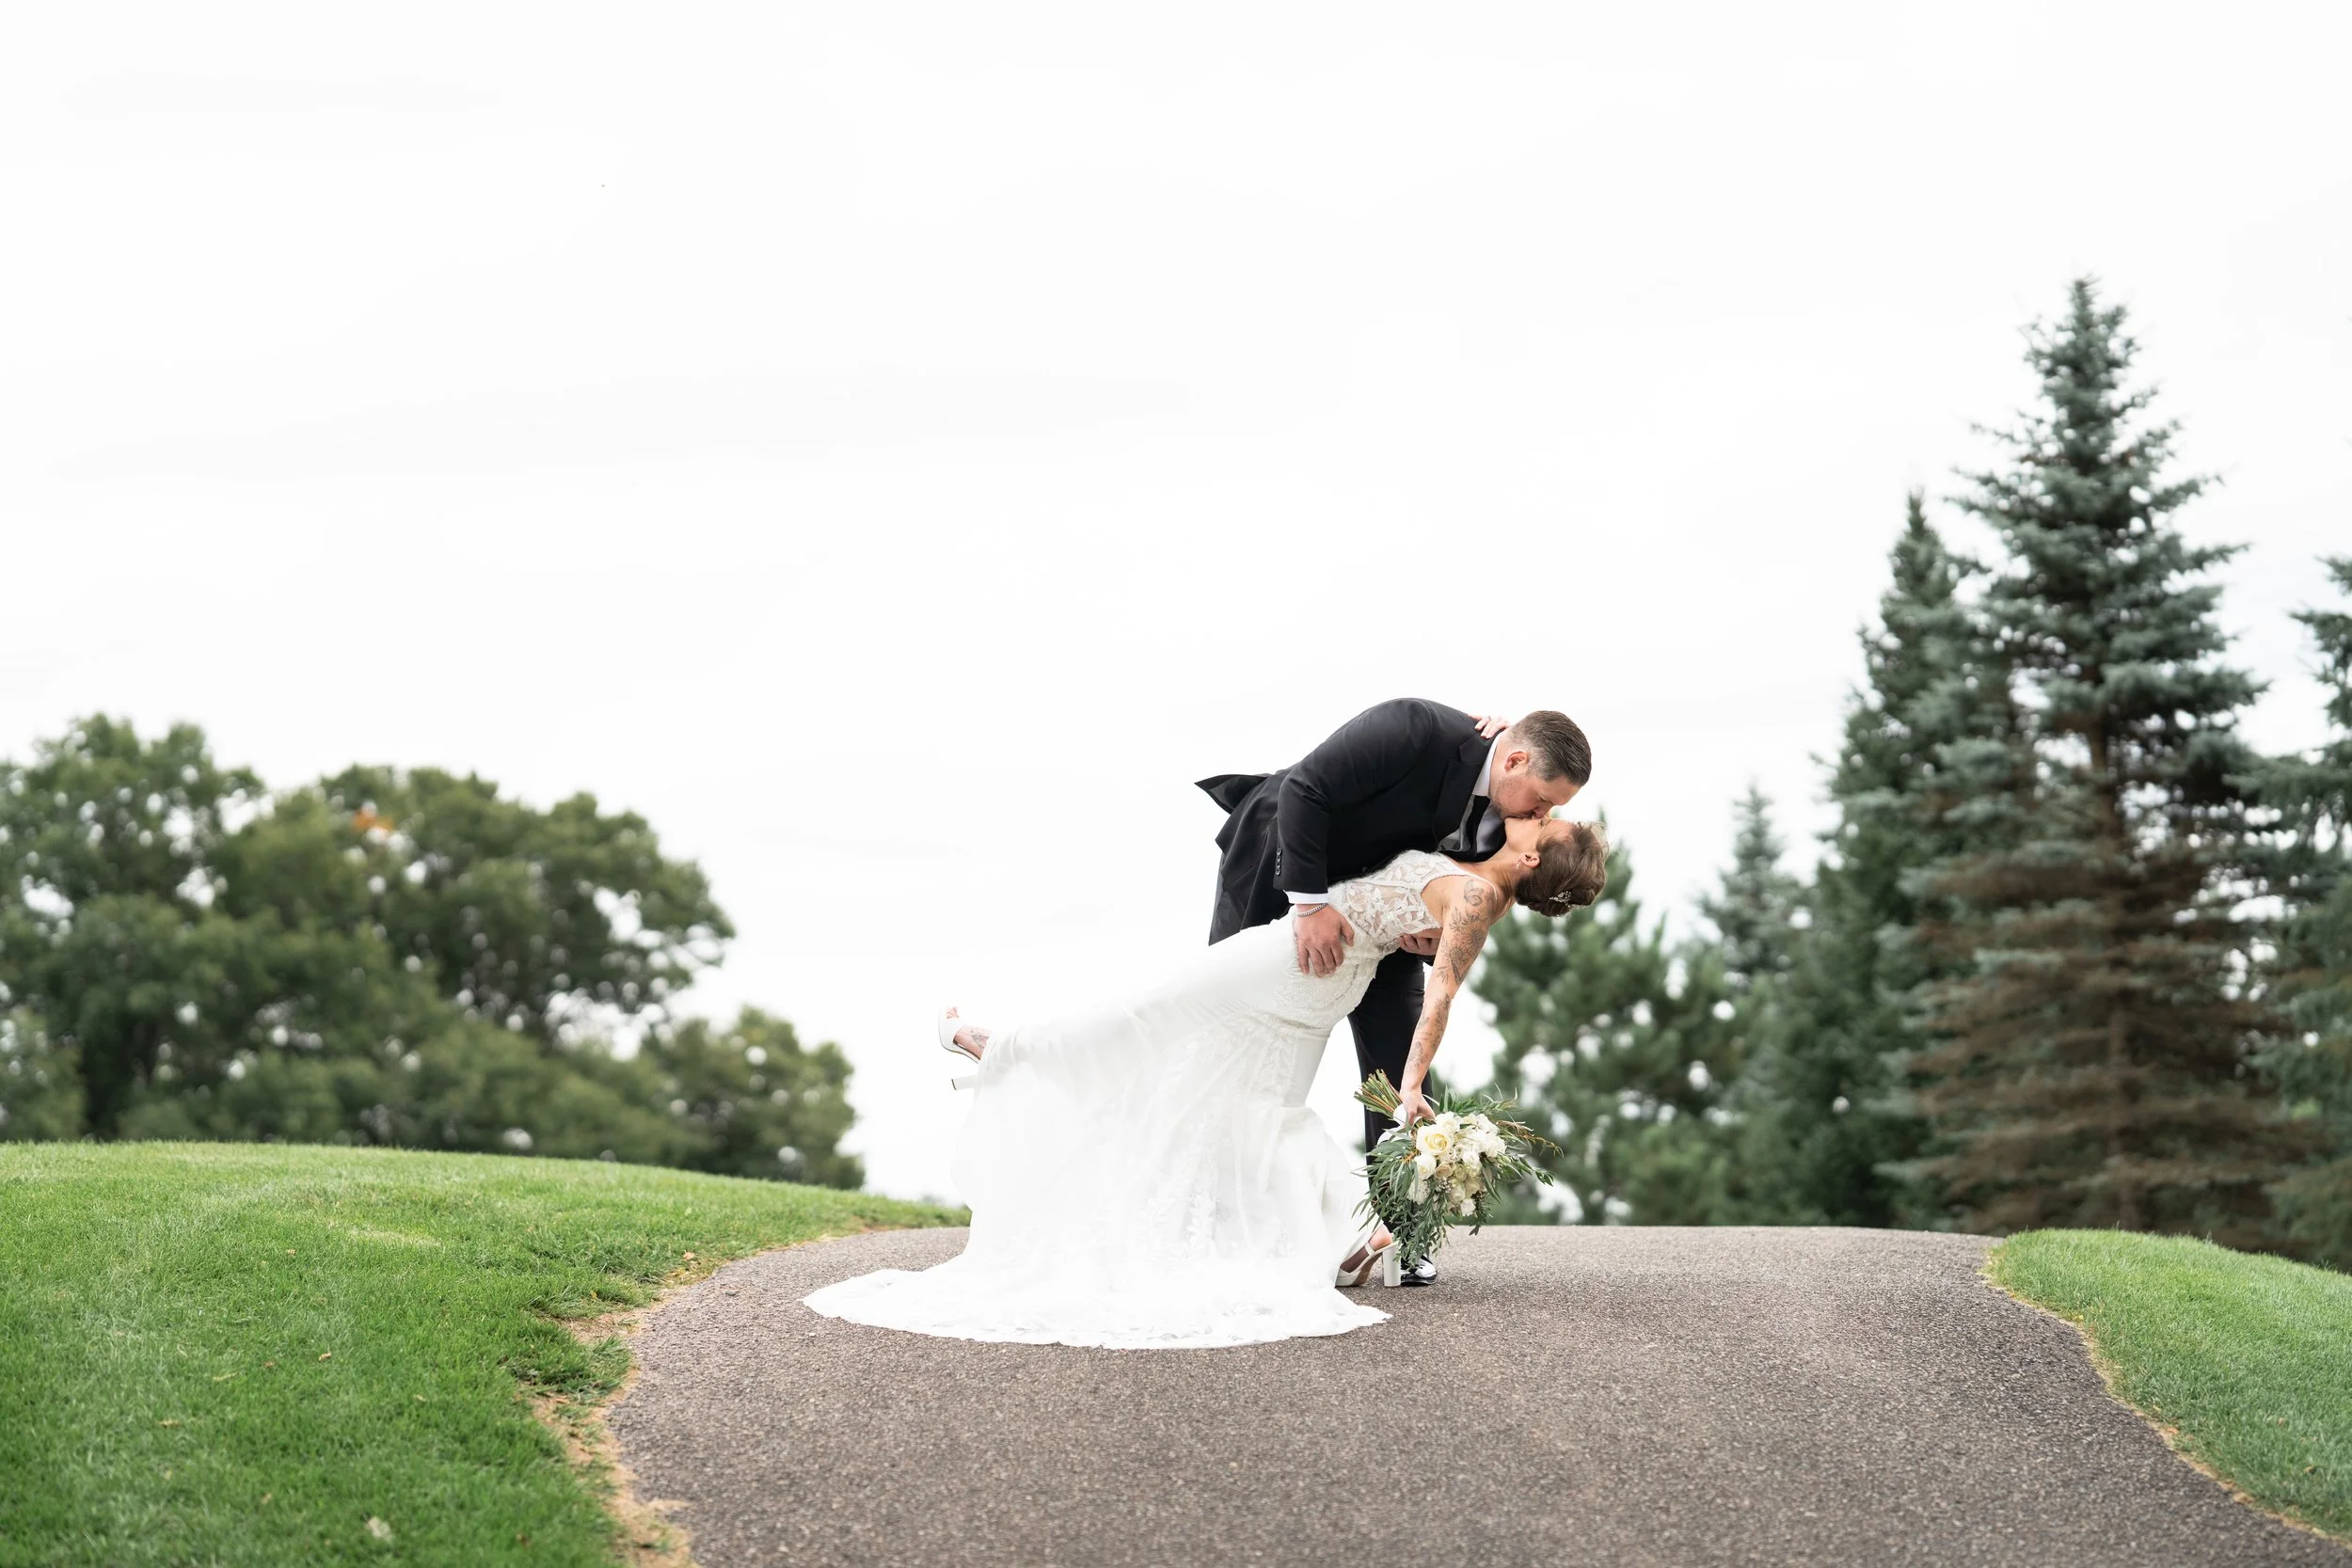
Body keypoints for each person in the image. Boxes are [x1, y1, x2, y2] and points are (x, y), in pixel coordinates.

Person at [801, 812, 1608, 1350]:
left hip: (1291, 963)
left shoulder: (1473, 896)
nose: (1534, 810)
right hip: (1326, 985)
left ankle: (998, 1044)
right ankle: (1351, 1235)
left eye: (1546, 817)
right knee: (1257, 1110)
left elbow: (1438, 999)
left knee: (1147, 1012)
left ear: (1532, 855)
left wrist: (1411, 1086)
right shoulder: (1479, 883)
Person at [1198, 701, 1590, 1283]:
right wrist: (1309, 904)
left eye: (1553, 808)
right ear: (1512, 759)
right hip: (1282, 865)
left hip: (1377, 933)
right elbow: (1307, 788)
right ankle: (1220, 1216)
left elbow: (1467, 894)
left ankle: (1404, 1232)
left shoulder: (1513, 822)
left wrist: (1430, 935)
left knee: (1398, 1061)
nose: (1545, 810)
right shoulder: (1413, 728)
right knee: (1231, 1040)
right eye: (1543, 799)